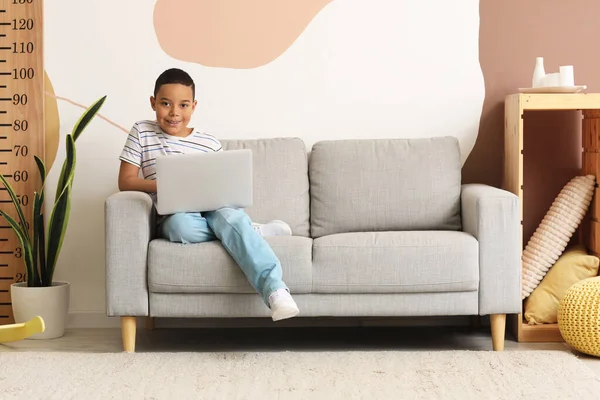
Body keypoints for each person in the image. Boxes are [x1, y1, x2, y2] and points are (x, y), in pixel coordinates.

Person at [117, 68, 300, 321]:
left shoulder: (209, 143)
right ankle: (248, 231)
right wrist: (167, 185)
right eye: (166, 104)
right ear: (153, 103)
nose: (174, 113)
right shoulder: (141, 131)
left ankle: (275, 291)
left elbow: (223, 185)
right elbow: (125, 181)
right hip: (174, 214)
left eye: (183, 105)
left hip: (213, 207)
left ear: (193, 107)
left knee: (229, 217)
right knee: (182, 227)